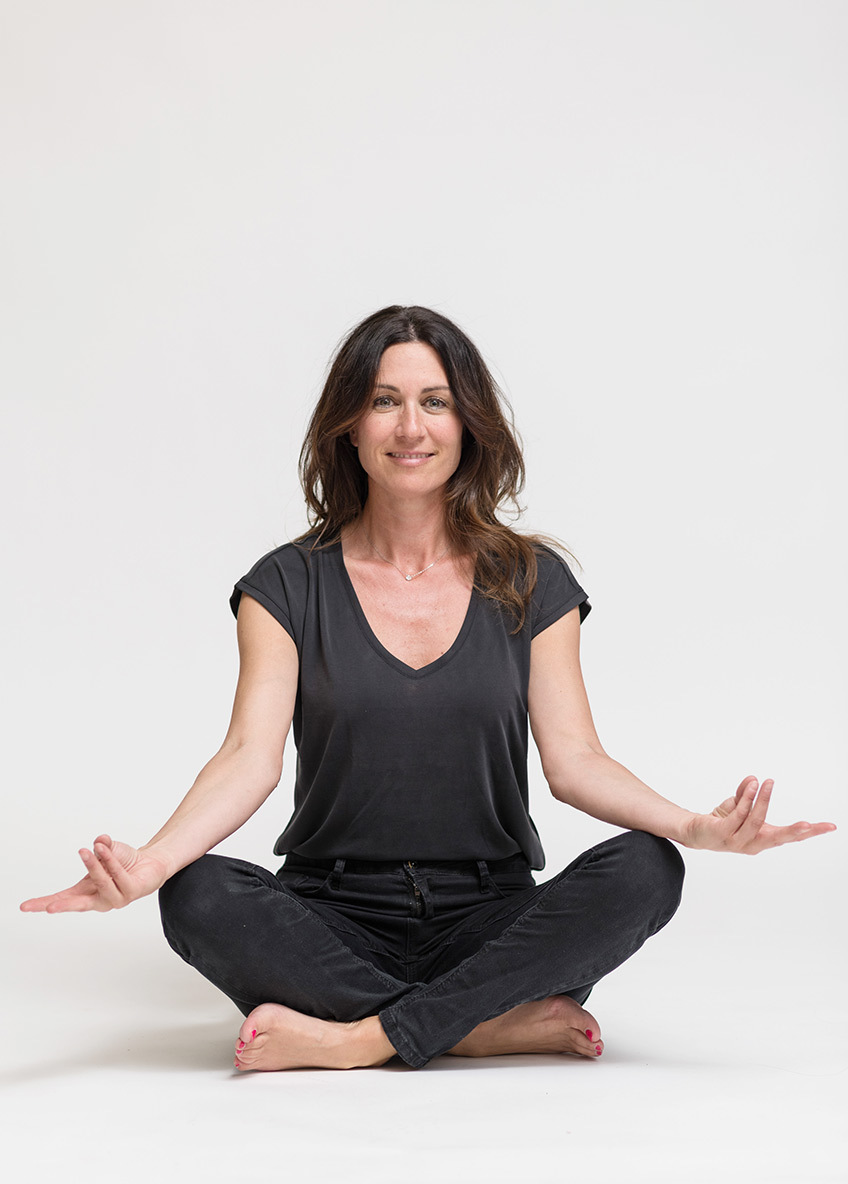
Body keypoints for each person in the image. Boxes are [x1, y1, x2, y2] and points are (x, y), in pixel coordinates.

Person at [21, 305, 836, 1072]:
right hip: (331, 914)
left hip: (491, 916)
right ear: (350, 425)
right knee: (196, 893)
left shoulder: (532, 580)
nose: (411, 427)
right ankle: (478, 1025)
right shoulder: (285, 585)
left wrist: (692, 826)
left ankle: (360, 1038)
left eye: (435, 402)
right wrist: (152, 864)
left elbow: (577, 760)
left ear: (467, 424)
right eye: (385, 401)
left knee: (648, 870)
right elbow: (246, 757)